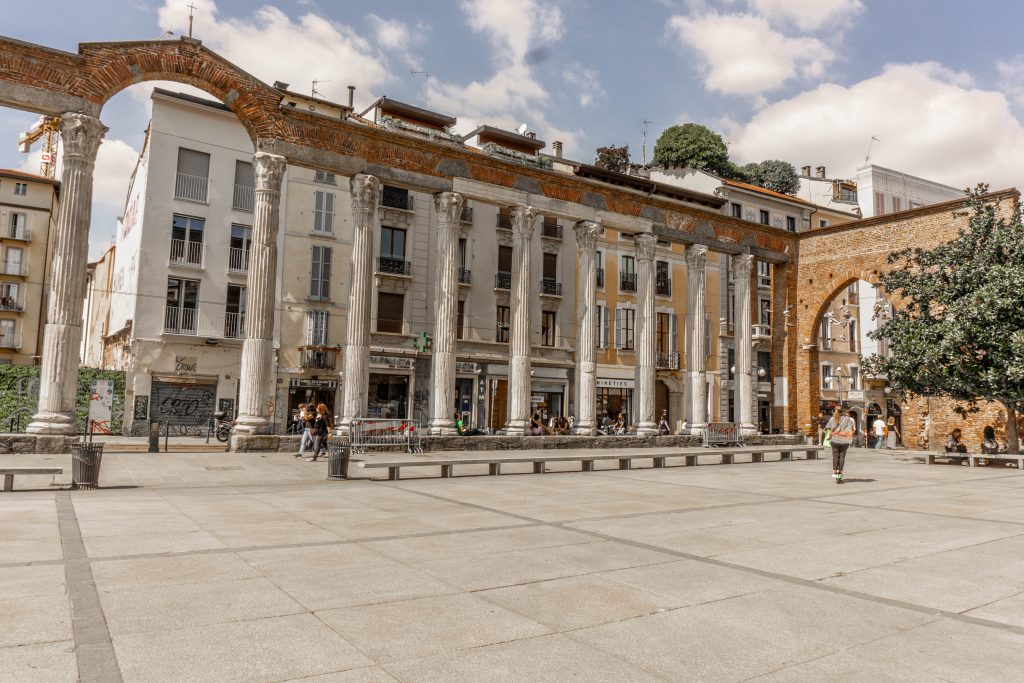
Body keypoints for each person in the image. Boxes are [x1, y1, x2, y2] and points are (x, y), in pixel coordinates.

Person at [825, 407, 856, 484]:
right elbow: (853, 429)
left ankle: (835, 471)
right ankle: (840, 472)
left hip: (834, 440)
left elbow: (826, 429)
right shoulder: (848, 419)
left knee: (835, 456)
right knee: (842, 456)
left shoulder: (832, 419)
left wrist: (830, 433)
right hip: (845, 441)